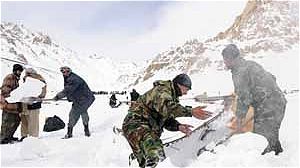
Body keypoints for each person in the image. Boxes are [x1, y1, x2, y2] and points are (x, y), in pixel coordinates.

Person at [122, 73, 213, 167]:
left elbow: (166, 119)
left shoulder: (170, 96)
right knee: (155, 152)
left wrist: (178, 126)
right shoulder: (162, 91)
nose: (186, 93)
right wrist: (191, 112)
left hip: (138, 127)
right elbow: (168, 107)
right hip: (137, 124)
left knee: (146, 161)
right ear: (179, 85)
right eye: (186, 90)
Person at [221, 44, 287, 155]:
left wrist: (239, 118)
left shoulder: (239, 71)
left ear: (231, 59)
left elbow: (244, 97)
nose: (224, 62)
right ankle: (277, 158)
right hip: (278, 102)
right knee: (271, 139)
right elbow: (272, 77)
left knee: (261, 140)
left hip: (268, 107)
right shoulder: (250, 64)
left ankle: (268, 161)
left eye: (225, 59)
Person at [53, 66, 95, 139]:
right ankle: (86, 130)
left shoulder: (73, 79)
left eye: (66, 71)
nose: (64, 73)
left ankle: (69, 133)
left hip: (84, 99)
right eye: (63, 71)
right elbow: (73, 91)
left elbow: (67, 90)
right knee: (83, 112)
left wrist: (58, 97)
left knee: (73, 114)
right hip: (83, 98)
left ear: (69, 71)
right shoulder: (69, 78)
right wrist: (70, 98)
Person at [19, 68, 47, 140]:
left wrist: (37, 97)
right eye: (26, 73)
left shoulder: (40, 80)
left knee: (33, 121)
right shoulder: (27, 80)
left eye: (28, 73)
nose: (26, 75)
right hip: (24, 102)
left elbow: (42, 93)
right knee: (24, 119)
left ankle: (33, 137)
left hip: (34, 103)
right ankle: (24, 135)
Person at [0, 64, 24, 144]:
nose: (20, 73)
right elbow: (5, 90)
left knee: (16, 121)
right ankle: (3, 138)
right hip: (8, 105)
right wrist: (15, 94)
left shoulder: (16, 79)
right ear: (15, 70)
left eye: (21, 71)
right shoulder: (9, 78)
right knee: (7, 122)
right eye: (19, 71)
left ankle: (9, 136)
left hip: (15, 106)